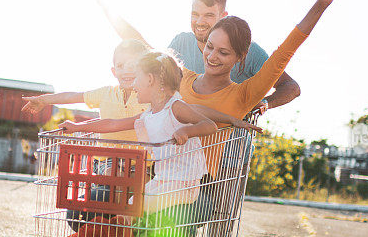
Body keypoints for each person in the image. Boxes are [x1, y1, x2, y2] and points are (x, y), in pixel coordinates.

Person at [174, 0, 345, 237]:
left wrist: (319, 6)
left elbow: (288, 53)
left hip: (228, 160)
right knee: (177, 219)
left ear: (239, 56)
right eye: (197, 17)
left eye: (223, 50)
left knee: (220, 228)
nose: (211, 49)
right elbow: (151, 74)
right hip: (187, 164)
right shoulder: (184, 64)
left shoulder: (247, 74)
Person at [57, 51, 255, 214]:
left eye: (137, 79)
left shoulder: (175, 107)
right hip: (164, 179)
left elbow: (209, 125)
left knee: (139, 208)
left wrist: (187, 130)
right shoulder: (148, 115)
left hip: (184, 183)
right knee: (130, 206)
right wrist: (76, 128)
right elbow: (112, 124)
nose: (133, 86)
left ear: (150, 80)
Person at [100, 0, 301, 113]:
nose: (200, 22)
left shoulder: (249, 51)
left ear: (223, 16)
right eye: (195, 14)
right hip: (184, 148)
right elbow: (150, 52)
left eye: (208, 15)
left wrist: (265, 103)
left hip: (229, 154)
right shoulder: (181, 43)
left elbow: (291, 87)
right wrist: (107, 10)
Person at [21, 39, 150, 141]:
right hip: (107, 158)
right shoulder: (106, 93)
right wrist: (43, 100)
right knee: (110, 172)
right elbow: (73, 97)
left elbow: (113, 124)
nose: (126, 71)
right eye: (120, 66)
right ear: (114, 71)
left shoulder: (150, 98)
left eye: (132, 65)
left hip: (143, 161)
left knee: (130, 173)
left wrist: (78, 127)